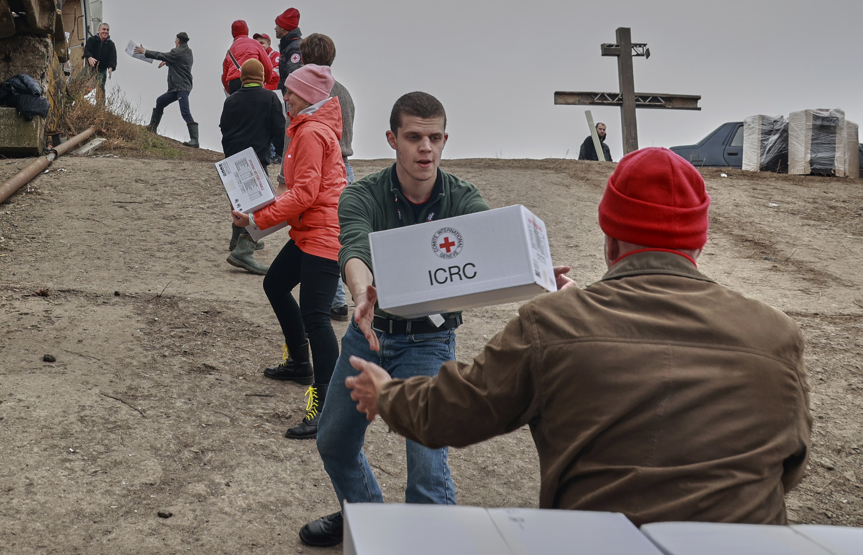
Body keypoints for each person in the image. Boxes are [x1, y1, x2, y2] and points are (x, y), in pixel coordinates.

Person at [345, 147, 812, 528]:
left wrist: (386, 394)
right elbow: (788, 465)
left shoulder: (553, 325)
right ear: (699, 241)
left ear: (609, 240)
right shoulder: (776, 333)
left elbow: (454, 412)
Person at [299, 92, 491, 547]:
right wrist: (362, 291)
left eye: (434, 137)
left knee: (426, 472)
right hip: (371, 333)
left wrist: (537, 272)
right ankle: (365, 519)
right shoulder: (362, 194)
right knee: (334, 443)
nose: (426, 147)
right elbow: (355, 247)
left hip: (431, 341)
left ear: (445, 140)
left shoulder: (463, 198)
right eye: (413, 137)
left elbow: (494, 243)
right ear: (392, 139)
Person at [231, 65, 346, 439]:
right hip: (309, 231)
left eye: (292, 92)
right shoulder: (306, 127)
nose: (286, 97)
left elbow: (305, 195)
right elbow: (296, 193)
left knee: (316, 317)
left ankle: (328, 406)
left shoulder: (312, 131)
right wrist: (255, 216)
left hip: (325, 236)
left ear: (310, 96)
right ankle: (300, 362)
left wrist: (255, 219)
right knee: (276, 284)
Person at [296, 34, 355, 322]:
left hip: (320, 166)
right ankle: (341, 298)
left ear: (303, 57)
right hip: (346, 168)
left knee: (318, 236)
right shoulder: (344, 91)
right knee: (341, 236)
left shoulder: (303, 90)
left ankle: (334, 300)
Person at [221, 58, 287, 264]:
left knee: (239, 198)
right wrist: (279, 154)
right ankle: (245, 247)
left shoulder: (231, 100)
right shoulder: (269, 98)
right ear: (261, 78)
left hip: (233, 158)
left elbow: (224, 127)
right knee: (262, 204)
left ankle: (236, 237)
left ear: (242, 78)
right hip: (256, 159)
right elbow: (279, 130)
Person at [135, 32, 197, 148]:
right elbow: (180, 63)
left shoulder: (177, 52)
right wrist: (168, 61)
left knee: (185, 112)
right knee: (160, 101)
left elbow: (160, 55)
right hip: (177, 88)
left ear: (178, 41)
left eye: (175, 40)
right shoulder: (188, 52)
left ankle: (194, 140)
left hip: (181, 87)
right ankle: (152, 127)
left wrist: (144, 51)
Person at [272, 8, 302, 161]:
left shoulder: (294, 48)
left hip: (292, 95)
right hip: (287, 92)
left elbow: (293, 74)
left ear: (283, 28)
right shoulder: (289, 46)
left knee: (289, 123)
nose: (275, 28)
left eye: (277, 25)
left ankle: (286, 155)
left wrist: (287, 93)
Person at [222, 20, 274, 95]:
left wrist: (231, 92)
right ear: (247, 30)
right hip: (252, 80)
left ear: (233, 33)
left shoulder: (230, 51)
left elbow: (224, 77)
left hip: (234, 84)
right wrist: (265, 80)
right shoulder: (255, 43)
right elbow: (268, 67)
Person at [82, 22, 117, 106]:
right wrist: (89, 57)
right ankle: (71, 99)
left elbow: (112, 58)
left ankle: (100, 109)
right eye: (104, 29)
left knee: (100, 87)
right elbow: (86, 50)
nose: (105, 31)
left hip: (102, 70)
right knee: (79, 82)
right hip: (90, 67)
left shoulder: (111, 45)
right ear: (99, 30)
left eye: (107, 30)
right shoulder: (92, 40)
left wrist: (111, 67)